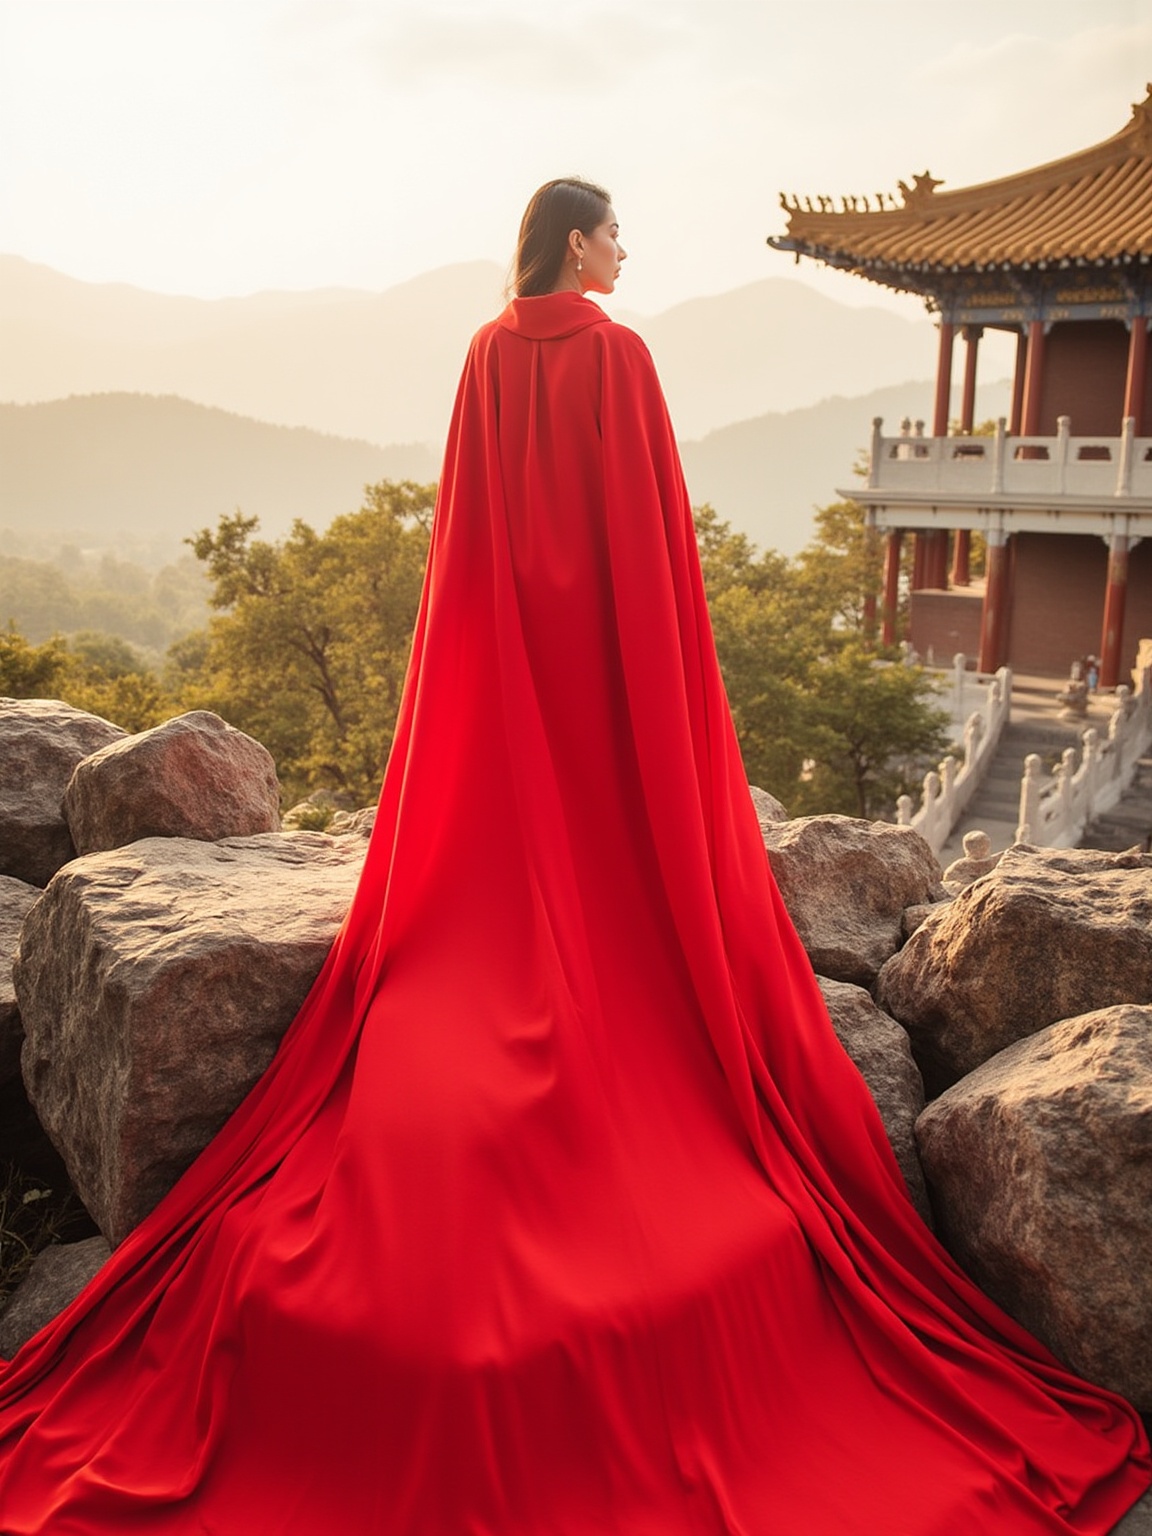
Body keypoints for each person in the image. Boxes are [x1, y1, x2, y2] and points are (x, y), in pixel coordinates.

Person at [0, 177, 1146, 1534]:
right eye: (613, 232)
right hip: (605, 668)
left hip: (506, 672)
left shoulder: (488, 353)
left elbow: (471, 548)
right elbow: (649, 553)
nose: (624, 250)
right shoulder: (619, 358)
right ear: (575, 239)